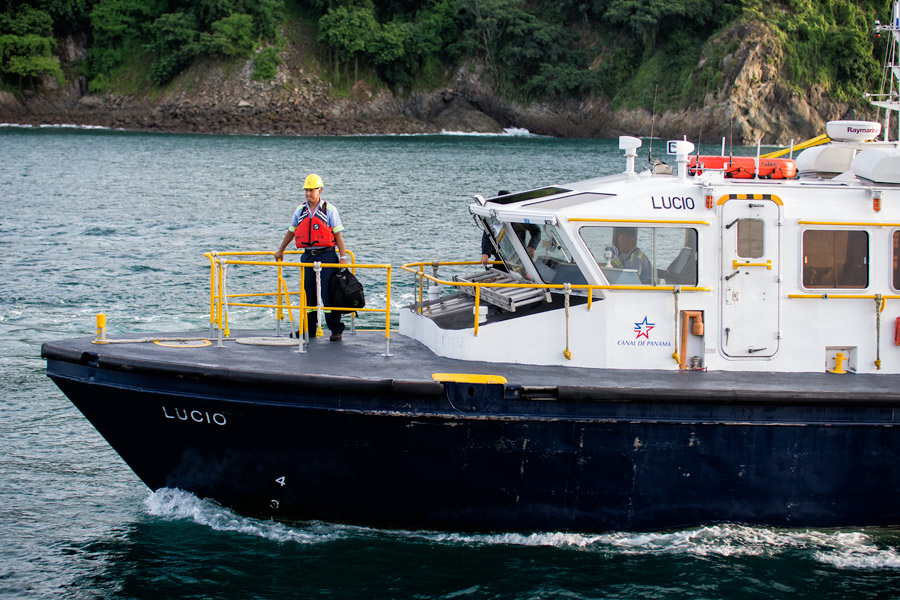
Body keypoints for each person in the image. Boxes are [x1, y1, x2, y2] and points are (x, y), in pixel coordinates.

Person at [274, 173, 348, 341]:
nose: (308, 194)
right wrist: (281, 250)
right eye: (306, 190)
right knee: (309, 295)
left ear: (319, 191)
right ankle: (309, 330)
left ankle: (336, 330)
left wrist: (343, 257)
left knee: (328, 294)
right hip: (308, 257)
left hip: (328, 255)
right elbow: (291, 231)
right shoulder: (300, 211)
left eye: (312, 190)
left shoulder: (329, 210)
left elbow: (338, 236)